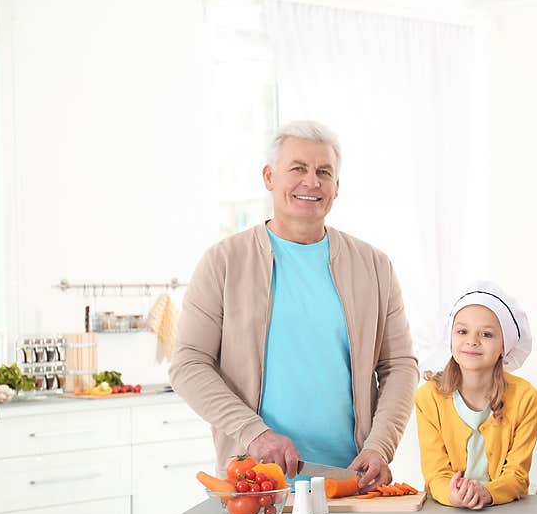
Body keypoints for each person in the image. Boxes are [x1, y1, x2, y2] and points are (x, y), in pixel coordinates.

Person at [170, 120, 419, 491]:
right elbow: (189, 363)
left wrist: (380, 445)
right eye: (298, 169)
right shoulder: (224, 262)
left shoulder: (374, 266)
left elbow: (399, 365)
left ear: (337, 187)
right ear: (269, 177)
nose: (311, 182)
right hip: (254, 482)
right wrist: (253, 433)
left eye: (324, 172)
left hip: (350, 481)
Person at [415, 281, 537, 509]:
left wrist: (485, 493)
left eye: (487, 334)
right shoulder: (428, 397)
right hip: (445, 510)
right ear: (450, 338)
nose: (472, 340)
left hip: (503, 510)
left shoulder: (525, 397)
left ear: (506, 346)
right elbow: (436, 473)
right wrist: (454, 495)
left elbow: (517, 477)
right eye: (462, 331)